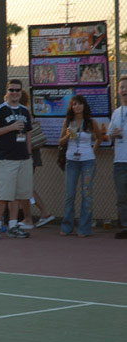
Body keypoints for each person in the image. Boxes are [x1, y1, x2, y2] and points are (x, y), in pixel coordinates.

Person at [0, 79, 33, 240]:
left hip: (23, 159)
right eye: (12, 90)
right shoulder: (0, 110)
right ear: (7, 92)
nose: (14, 93)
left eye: (17, 90)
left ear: (21, 92)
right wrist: (11, 128)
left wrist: (29, 154)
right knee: (3, 195)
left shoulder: (25, 111)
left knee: (17, 195)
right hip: (6, 158)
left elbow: (27, 133)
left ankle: (13, 225)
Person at [59, 95, 102, 237]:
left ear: (84, 106)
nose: (77, 107)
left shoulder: (90, 122)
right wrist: (67, 136)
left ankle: (84, 229)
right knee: (70, 194)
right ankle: (66, 227)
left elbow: (100, 137)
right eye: (74, 104)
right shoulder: (68, 122)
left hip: (87, 161)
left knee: (86, 194)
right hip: (71, 161)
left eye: (80, 104)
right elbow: (60, 142)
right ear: (71, 107)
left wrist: (92, 151)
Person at [16, 90, 54, 229]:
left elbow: (23, 134)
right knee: (24, 186)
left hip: (28, 152)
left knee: (25, 186)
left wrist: (27, 153)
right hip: (28, 152)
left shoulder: (21, 111)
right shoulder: (22, 110)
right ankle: (35, 215)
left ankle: (39, 214)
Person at [108, 76, 127, 239]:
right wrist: (113, 135)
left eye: (126, 87)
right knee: (121, 196)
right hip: (120, 161)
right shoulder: (116, 113)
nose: (124, 90)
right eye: (122, 87)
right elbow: (108, 136)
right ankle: (125, 226)